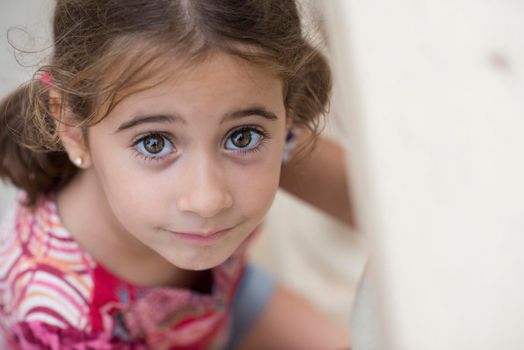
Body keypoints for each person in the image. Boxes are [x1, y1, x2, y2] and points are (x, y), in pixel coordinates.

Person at [0, 0, 351, 349]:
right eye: (154, 143)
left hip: (224, 301)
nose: (208, 200)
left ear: (287, 111)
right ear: (72, 127)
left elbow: (384, 211)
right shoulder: (57, 319)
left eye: (241, 137)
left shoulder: (266, 129)